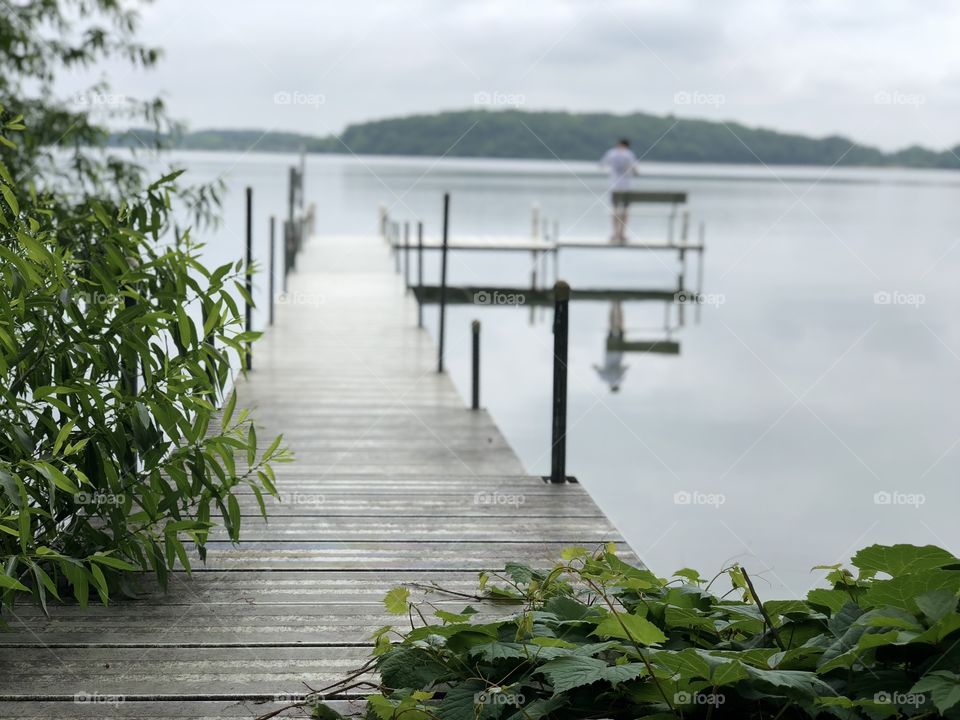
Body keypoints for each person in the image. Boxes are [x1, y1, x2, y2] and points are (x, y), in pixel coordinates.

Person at [600, 138, 638, 244]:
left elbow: (602, 165)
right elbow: (635, 170)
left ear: (618, 144)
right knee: (625, 211)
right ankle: (622, 234)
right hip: (627, 187)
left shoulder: (611, 153)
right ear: (627, 146)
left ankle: (615, 233)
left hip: (614, 186)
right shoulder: (629, 154)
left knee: (615, 210)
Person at [593, 301, 628, 392]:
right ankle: (613, 305)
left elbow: (623, 368)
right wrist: (594, 367)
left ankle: (618, 304)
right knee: (611, 327)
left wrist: (627, 367)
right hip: (609, 352)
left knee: (620, 327)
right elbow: (597, 369)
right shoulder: (605, 379)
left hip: (619, 351)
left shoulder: (620, 379)